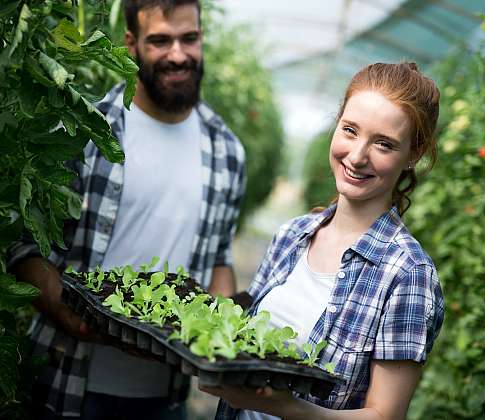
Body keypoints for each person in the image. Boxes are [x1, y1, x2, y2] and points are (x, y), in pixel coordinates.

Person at [7, 0, 246, 419]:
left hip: (165, 395)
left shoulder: (226, 151)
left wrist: (221, 330)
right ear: (131, 45)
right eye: (160, 41)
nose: (178, 54)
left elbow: (220, 259)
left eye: (189, 38)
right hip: (68, 384)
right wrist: (74, 317)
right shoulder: (85, 129)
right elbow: (23, 248)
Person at [203, 62, 445, 420]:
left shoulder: (408, 274)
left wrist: (286, 407)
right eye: (350, 130)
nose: (358, 155)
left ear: (413, 155)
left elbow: (384, 415)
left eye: (384, 144)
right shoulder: (291, 236)